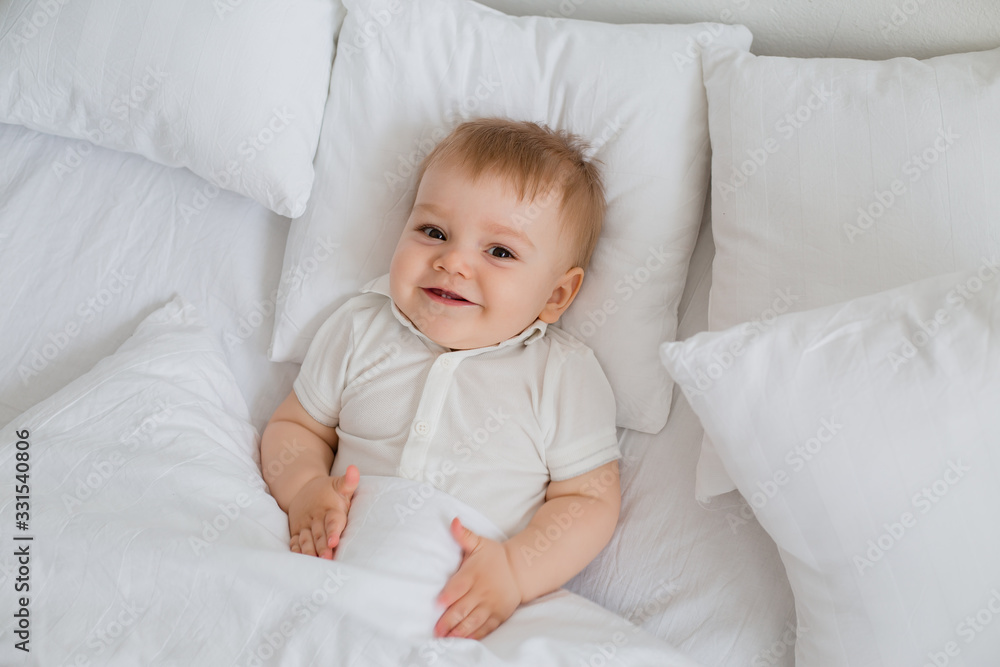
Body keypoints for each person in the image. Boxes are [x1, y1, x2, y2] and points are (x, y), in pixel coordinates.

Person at [260, 117, 621, 642]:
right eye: (434, 232)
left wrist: (516, 571)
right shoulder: (362, 326)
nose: (452, 261)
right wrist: (307, 488)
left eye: (500, 252)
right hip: (337, 569)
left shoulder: (561, 374)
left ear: (556, 296)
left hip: (454, 601)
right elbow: (295, 426)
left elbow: (589, 501)